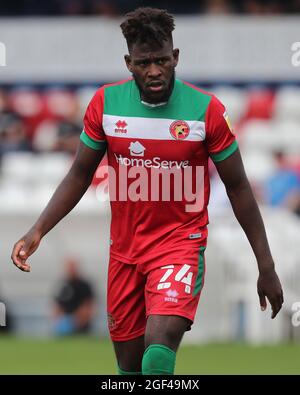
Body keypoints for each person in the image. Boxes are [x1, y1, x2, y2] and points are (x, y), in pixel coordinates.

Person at [11, 7, 284, 375]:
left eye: (161, 60)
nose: (154, 71)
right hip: (124, 252)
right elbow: (78, 175)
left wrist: (265, 266)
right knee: (129, 367)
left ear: (176, 58)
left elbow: (238, 189)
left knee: (157, 353)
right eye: (143, 62)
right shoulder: (105, 105)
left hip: (180, 244)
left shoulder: (207, 111)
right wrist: (37, 230)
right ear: (128, 63)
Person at [52, 257, 95, 336]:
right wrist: (60, 321)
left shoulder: (84, 285)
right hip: (65, 321)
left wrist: (78, 319)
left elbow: (88, 305)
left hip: (81, 321)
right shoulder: (62, 284)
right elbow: (57, 306)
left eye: (72, 267)